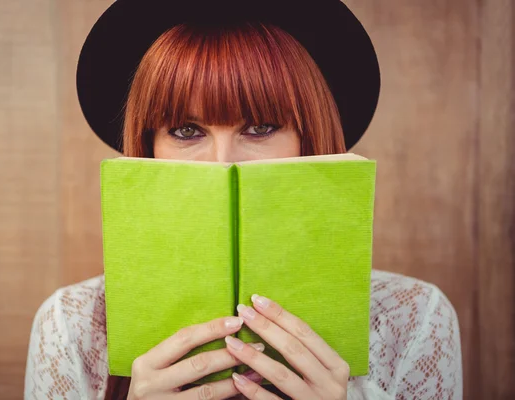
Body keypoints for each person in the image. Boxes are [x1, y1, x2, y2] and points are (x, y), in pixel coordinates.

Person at [24, 0, 463, 399]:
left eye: (260, 128)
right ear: (148, 147)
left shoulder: (415, 321)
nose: (222, 163)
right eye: (185, 131)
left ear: (308, 142)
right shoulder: (71, 325)